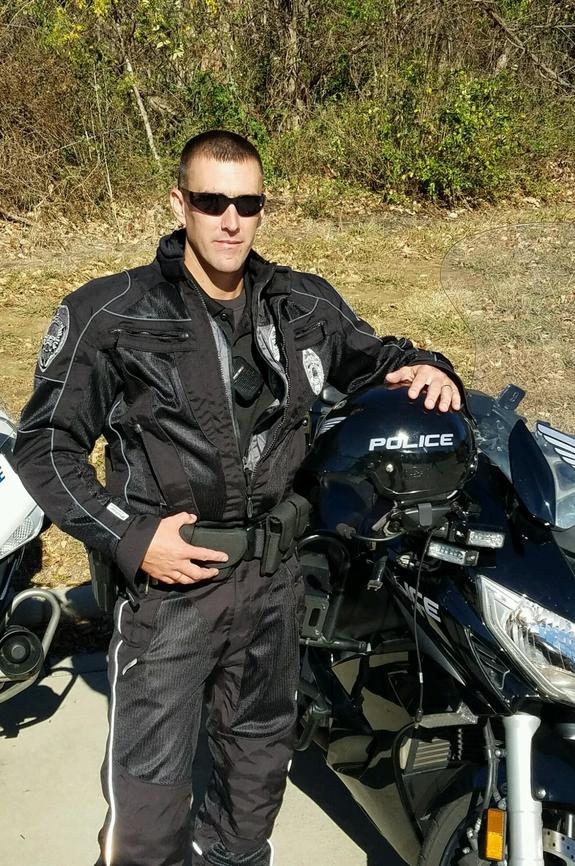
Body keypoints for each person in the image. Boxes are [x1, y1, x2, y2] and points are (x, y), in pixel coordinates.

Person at [14, 130, 463, 866]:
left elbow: (380, 359)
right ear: (179, 203)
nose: (230, 221)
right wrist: (131, 538)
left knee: (254, 780)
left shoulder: (303, 304)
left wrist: (430, 367)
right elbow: (46, 446)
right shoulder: (112, 313)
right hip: (172, 591)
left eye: (247, 204)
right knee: (147, 809)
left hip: (274, 585)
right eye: (212, 201)